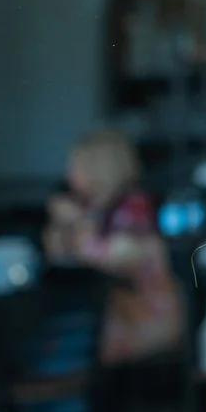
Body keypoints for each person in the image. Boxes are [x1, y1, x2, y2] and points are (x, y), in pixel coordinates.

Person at [42, 130, 182, 366]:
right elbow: (55, 250)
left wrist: (76, 223)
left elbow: (116, 256)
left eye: (75, 166)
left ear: (98, 168)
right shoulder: (100, 207)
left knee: (59, 346)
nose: (68, 174)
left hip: (147, 320)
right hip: (124, 317)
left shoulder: (133, 208)